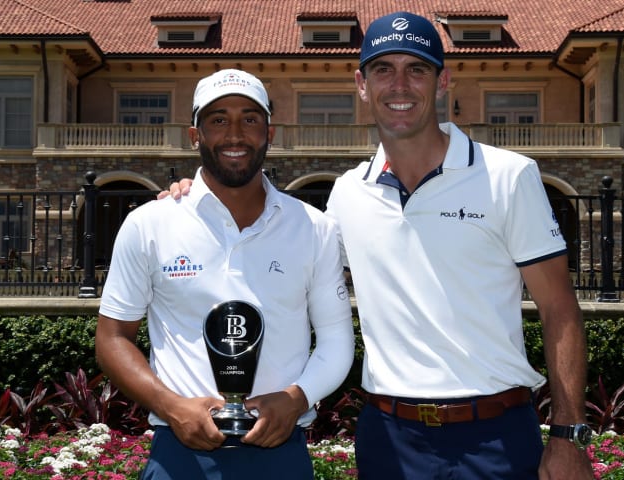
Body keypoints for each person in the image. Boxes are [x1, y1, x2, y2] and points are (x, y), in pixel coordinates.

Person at [165, 12, 594, 479]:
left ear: (443, 81)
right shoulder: (349, 194)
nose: (400, 85)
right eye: (383, 69)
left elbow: (560, 309)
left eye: (417, 69)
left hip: (495, 435)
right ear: (362, 84)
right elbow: (278, 251)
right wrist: (198, 192)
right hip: (390, 438)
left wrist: (568, 433)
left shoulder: (510, 177)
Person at [97, 69, 355, 479]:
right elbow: (113, 338)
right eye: (218, 120)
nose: (235, 134)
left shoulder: (314, 227)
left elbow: (337, 341)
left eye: (249, 119)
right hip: (180, 453)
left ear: (269, 130)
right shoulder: (149, 223)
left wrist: (294, 399)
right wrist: (170, 406)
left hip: (280, 451)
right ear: (194, 135)